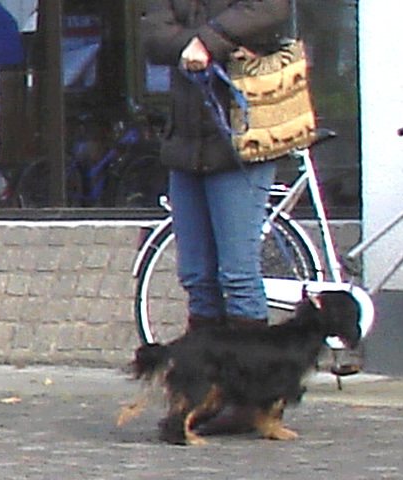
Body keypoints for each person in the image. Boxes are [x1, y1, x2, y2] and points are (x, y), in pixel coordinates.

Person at [141, 0, 291, 331]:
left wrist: (205, 42)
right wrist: (203, 44)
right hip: (185, 144)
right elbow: (154, 38)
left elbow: (271, 9)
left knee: (238, 274)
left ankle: (247, 373)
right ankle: (206, 374)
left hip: (242, 142)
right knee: (196, 276)